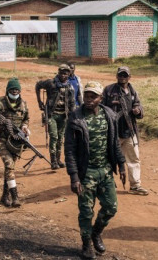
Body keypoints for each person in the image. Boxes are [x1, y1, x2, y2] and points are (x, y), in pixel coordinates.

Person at [65, 81, 126, 259]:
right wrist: (74, 177)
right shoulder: (76, 118)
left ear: (100, 98)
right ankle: (86, 244)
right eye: (87, 96)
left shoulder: (109, 115)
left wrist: (121, 164)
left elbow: (114, 142)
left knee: (111, 207)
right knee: (86, 211)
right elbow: (69, 150)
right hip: (86, 173)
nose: (89, 99)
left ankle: (96, 232)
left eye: (93, 96)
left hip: (105, 170)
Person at [0, 78, 30, 208]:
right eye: (12, 89)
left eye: (17, 89)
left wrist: (25, 127)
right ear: (7, 90)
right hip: (2, 140)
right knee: (9, 164)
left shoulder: (24, 105)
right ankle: (15, 197)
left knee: (10, 169)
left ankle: (4, 196)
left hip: (15, 142)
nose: (14, 91)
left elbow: (26, 119)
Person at [101, 66, 148, 195]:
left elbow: (138, 105)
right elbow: (101, 108)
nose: (122, 77)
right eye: (120, 75)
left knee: (134, 159)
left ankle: (135, 185)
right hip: (113, 132)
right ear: (116, 76)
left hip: (129, 131)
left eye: (125, 75)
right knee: (109, 158)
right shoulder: (109, 90)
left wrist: (137, 110)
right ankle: (107, 184)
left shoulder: (133, 92)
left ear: (129, 77)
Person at [35, 64, 76, 170]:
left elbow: (72, 103)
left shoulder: (70, 87)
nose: (63, 75)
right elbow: (38, 85)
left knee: (60, 138)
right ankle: (53, 161)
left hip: (63, 116)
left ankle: (58, 160)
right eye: (61, 72)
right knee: (54, 137)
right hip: (52, 115)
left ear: (69, 74)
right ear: (58, 72)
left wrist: (72, 117)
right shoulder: (50, 83)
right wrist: (39, 101)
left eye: (66, 73)